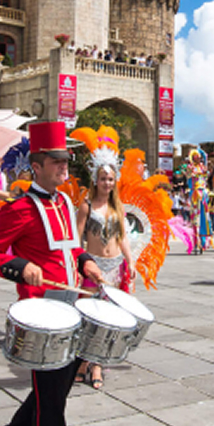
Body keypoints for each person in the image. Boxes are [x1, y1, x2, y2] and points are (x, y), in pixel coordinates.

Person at [0, 121, 103, 426]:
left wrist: (87, 262)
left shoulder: (66, 204)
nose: (66, 165)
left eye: (68, 158)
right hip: (43, 320)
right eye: (59, 159)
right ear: (38, 164)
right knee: (51, 408)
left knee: (52, 397)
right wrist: (20, 266)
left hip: (73, 309)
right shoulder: (20, 209)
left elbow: (72, 250)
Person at [75, 129, 135, 391]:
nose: (107, 183)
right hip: (93, 267)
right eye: (103, 178)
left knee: (108, 319)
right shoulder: (86, 205)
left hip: (115, 268)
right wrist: (80, 264)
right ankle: (83, 362)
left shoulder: (117, 207)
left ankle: (96, 365)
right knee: (89, 317)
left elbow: (122, 237)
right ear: (96, 179)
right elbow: (77, 240)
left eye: (111, 179)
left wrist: (131, 263)